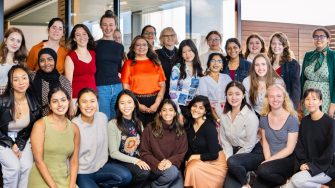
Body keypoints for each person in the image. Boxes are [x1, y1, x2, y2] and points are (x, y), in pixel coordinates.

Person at [72, 88, 132, 188]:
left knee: (126, 177)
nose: (89, 105)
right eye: (84, 102)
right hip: (83, 172)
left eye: (92, 101)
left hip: (102, 168)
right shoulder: (74, 125)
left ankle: (103, 185)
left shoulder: (102, 117)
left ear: (97, 102)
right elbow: (70, 156)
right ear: (78, 104)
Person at [28, 87, 80, 188]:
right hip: (42, 178)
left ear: (69, 102)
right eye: (55, 101)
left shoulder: (74, 128)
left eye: (63, 100)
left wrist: (72, 185)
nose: (60, 104)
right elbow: (39, 160)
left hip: (64, 178)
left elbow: (74, 161)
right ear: (50, 106)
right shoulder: (40, 125)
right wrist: (54, 186)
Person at [0, 65, 41, 188]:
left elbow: (32, 127)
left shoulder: (34, 101)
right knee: (14, 167)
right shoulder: (2, 101)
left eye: (24, 78)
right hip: (3, 139)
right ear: (11, 83)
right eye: (16, 79)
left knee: (27, 167)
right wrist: (12, 144)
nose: (21, 82)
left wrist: (19, 142)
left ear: (29, 80)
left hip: (23, 137)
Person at [285, 88, 335, 188]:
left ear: (321, 102)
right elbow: (300, 147)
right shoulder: (304, 121)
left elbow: (329, 152)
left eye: (314, 99)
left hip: (325, 168)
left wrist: (311, 166)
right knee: (290, 185)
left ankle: (319, 187)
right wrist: (303, 163)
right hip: (307, 165)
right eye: (307, 99)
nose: (310, 102)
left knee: (295, 180)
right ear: (304, 102)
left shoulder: (330, 123)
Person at [253, 84, 299, 188]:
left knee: (262, 170)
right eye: (271, 96)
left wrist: (268, 162)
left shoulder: (292, 119)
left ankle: (285, 179)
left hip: (287, 159)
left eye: (278, 96)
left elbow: (290, 149)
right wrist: (268, 160)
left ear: (284, 98)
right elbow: (265, 142)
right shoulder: (264, 117)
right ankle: (280, 182)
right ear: (267, 99)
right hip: (270, 158)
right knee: (257, 184)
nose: (275, 99)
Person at [221, 81, 261, 188]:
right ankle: (247, 175)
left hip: (253, 152)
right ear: (226, 96)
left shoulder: (250, 116)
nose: (233, 97)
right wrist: (229, 158)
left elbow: (250, 144)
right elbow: (225, 141)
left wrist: (232, 160)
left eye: (237, 94)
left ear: (243, 95)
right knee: (228, 186)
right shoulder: (224, 115)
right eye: (230, 94)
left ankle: (246, 182)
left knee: (233, 162)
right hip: (234, 155)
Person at [108, 89, 150, 188]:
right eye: (122, 103)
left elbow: (141, 147)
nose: (126, 106)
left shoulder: (138, 123)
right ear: (118, 105)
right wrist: (136, 161)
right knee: (144, 172)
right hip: (119, 160)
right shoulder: (113, 124)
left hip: (135, 158)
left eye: (129, 102)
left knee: (151, 169)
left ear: (135, 104)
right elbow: (113, 153)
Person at [140, 99, 187, 188]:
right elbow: (144, 152)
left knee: (177, 182)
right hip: (155, 167)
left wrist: (170, 161)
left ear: (175, 113)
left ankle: (156, 185)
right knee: (172, 172)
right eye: (164, 110)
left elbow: (181, 153)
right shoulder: (150, 128)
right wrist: (157, 163)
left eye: (171, 110)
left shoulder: (181, 130)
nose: (167, 113)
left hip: (172, 167)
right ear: (160, 113)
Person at [121, 35, 166, 126]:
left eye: (144, 45)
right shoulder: (128, 64)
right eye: (138, 45)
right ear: (133, 48)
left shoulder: (156, 62)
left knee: (155, 132)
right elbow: (126, 88)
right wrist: (137, 104)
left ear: (148, 47)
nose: (141, 47)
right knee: (138, 131)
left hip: (155, 101)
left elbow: (163, 85)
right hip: (135, 100)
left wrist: (157, 103)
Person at [184, 95, 227, 188]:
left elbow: (214, 154)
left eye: (201, 108)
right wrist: (188, 159)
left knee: (192, 167)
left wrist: (193, 157)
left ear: (205, 111)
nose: (196, 109)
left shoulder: (209, 127)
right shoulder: (189, 125)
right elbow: (189, 148)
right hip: (198, 161)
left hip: (215, 163)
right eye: (194, 106)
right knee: (191, 166)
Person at [95, 10, 124, 120]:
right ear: (101, 26)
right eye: (105, 25)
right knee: (104, 119)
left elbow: (119, 69)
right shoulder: (95, 45)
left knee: (117, 120)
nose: (108, 28)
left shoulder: (119, 47)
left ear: (115, 26)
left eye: (111, 25)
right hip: (101, 87)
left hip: (117, 86)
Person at [301, 27, 335, 117]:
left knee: (323, 126)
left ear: (328, 39)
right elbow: (302, 79)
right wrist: (300, 99)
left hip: (325, 98)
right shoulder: (308, 55)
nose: (318, 39)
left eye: (322, 36)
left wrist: (333, 104)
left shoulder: (333, 55)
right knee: (308, 124)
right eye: (315, 37)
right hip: (307, 97)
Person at [65, 24, 96, 116]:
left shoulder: (93, 54)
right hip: (76, 99)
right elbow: (68, 84)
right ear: (74, 38)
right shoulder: (70, 57)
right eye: (78, 35)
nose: (82, 37)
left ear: (88, 36)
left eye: (84, 34)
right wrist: (70, 105)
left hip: (92, 98)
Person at [30, 48, 72, 116]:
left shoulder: (64, 81)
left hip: (56, 119)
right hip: (33, 118)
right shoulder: (31, 78)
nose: (46, 63)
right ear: (38, 62)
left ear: (55, 60)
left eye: (50, 59)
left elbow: (66, 102)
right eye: (42, 60)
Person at [169, 39, 203, 121]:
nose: (187, 54)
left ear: (194, 50)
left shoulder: (198, 68)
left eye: (190, 50)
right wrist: (178, 112)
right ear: (181, 54)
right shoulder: (177, 68)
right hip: (180, 106)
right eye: (184, 52)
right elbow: (172, 92)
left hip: (194, 107)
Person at [268, 32, 300, 110]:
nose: (276, 46)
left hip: (285, 104)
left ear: (284, 45)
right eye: (274, 43)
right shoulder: (268, 63)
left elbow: (296, 90)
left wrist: (291, 108)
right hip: (270, 102)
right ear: (270, 45)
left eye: (280, 44)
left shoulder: (292, 64)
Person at [197, 52, 232, 123]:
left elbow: (232, 95)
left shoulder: (227, 77)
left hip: (228, 110)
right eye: (213, 61)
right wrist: (217, 118)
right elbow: (205, 101)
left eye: (219, 61)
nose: (216, 64)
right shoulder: (203, 80)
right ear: (209, 64)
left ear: (222, 65)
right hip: (210, 112)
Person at [0, 27, 27, 95]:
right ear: (5, 40)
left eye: (18, 41)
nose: (15, 43)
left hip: (14, 99)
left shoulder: (21, 63)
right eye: (12, 39)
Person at [155, 27, 179, 99]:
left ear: (175, 37)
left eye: (172, 35)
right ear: (162, 39)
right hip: (161, 92)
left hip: (178, 92)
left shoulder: (181, 53)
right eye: (166, 36)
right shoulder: (155, 54)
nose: (169, 38)